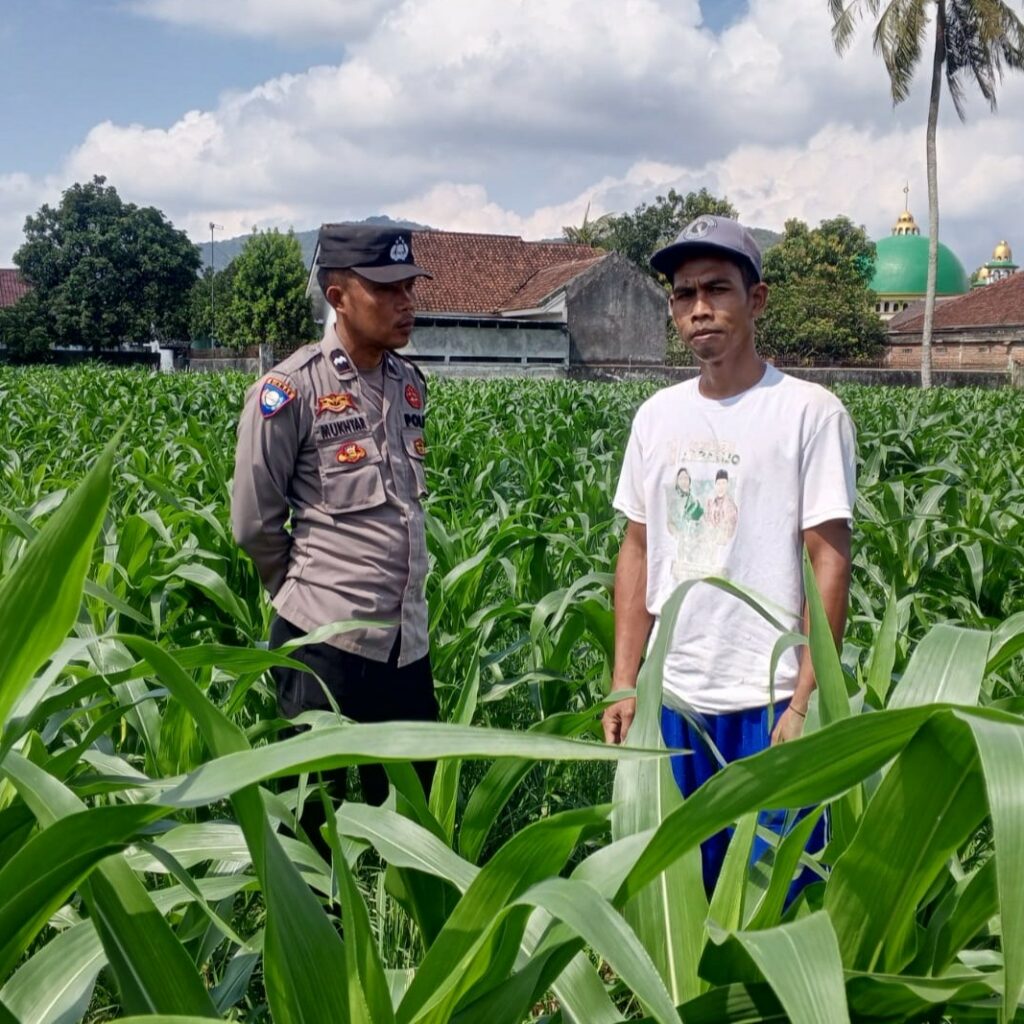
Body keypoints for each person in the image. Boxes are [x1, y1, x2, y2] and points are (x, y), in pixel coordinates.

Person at [602, 214, 855, 895]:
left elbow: (828, 560)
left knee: (770, 903)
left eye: (718, 289)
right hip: (674, 700)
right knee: (674, 900)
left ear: (757, 300)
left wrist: (806, 702)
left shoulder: (809, 413)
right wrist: (627, 681)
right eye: (684, 295)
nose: (699, 308)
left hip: (769, 705)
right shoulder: (656, 416)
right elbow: (638, 548)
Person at [231, 223, 438, 831]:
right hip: (324, 644)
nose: (406, 303)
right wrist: (304, 596)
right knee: (311, 819)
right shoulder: (288, 390)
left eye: (409, 286)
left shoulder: (409, 385)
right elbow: (253, 523)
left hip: (405, 644)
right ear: (338, 295)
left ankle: (396, 923)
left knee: (409, 816)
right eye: (387, 289)